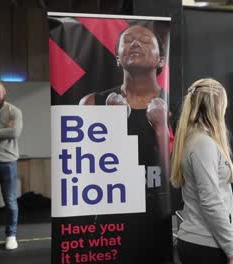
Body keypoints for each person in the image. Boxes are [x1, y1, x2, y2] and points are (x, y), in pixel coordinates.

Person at [79, 23, 172, 262]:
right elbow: (85, 170)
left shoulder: (179, 107)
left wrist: (162, 128)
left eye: (144, 40)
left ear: (161, 60)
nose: (136, 43)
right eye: (128, 40)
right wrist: (113, 124)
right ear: (118, 58)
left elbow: (175, 175)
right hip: (112, 222)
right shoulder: (92, 103)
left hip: (160, 220)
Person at [171, 78, 233, 264]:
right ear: (216, 107)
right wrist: (232, 246)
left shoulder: (198, 139)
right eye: (224, 105)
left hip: (204, 242)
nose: (225, 110)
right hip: (206, 245)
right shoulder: (203, 143)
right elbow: (210, 200)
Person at [0, 80, 23, 250]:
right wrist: (4, 133)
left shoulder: (14, 112)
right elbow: (8, 133)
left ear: (4, 92)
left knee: (10, 201)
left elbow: (15, 132)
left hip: (7, 162)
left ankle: (11, 235)